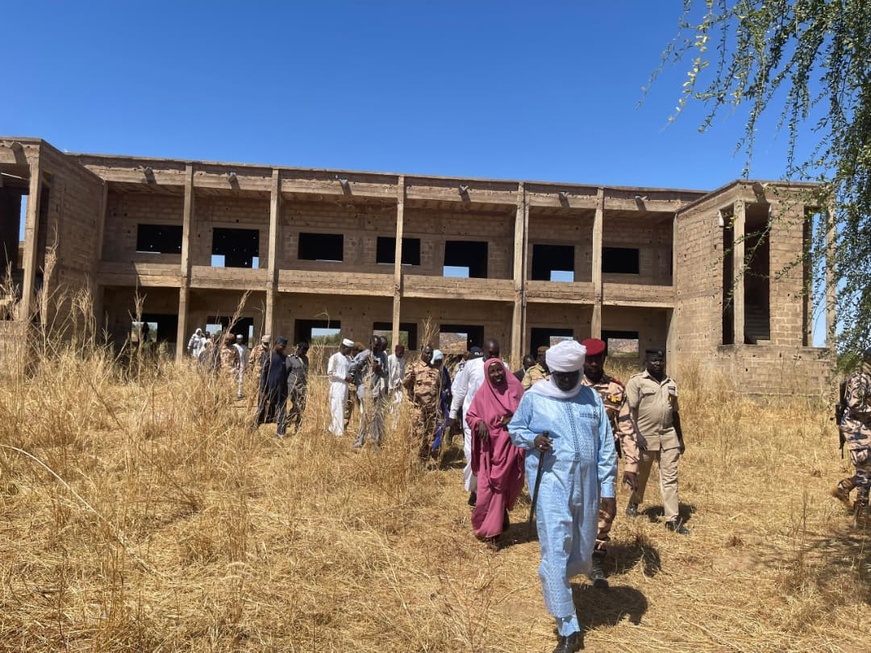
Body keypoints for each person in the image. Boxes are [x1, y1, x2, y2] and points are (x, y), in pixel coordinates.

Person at [508, 339, 617, 653]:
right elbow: (516, 429)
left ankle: (560, 584)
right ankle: (568, 626)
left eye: (573, 375)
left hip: (588, 489)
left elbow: (606, 447)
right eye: (561, 376)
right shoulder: (534, 397)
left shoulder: (591, 400)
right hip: (552, 486)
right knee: (555, 551)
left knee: (581, 551)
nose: (567, 381)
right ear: (551, 371)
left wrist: (607, 489)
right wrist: (534, 438)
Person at [581, 337, 639, 588]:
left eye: (597, 359)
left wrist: (631, 465)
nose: (593, 363)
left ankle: (596, 557)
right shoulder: (569, 386)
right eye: (589, 359)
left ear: (604, 359)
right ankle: (572, 554)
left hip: (604, 460)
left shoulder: (617, 390)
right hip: (573, 460)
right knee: (573, 507)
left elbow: (626, 428)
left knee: (606, 507)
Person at [624, 348, 689, 534]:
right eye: (654, 360)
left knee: (670, 478)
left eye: (661, 361)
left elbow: (674, 413)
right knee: (641, 475)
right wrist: (637, 435)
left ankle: (672, 519)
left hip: (668, 436)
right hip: (645, 436)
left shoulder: (671, 383)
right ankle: (634, 502)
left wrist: (680, 438)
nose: (658, 364)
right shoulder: (637, 382)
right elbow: (629, 413)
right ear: (646, 361)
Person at [465, 358, 525, 548]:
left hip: (510, 448)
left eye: (499, 370)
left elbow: (529, 412)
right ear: (486, 374)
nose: (497, 374)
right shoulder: (483, 393)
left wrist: (514, 418)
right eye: (492, 372)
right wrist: (479, 423)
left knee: (500, 490)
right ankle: (495, 521)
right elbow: (470, 415)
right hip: (489, 451)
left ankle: (493, 533)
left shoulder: (516, 388)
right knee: (484, 492)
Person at [449, 339, 510, 506]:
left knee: (492, 459)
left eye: (496, 354)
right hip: (472, 419)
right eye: (490, 354)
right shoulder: (471, 366)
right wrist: (453, 414)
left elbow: (510, 392)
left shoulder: (503, 367)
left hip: (495, 423)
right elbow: (461, 390)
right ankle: (475, 490)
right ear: (483, 351)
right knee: (472, 456)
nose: (493, 357)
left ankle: (487, 492)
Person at [831, 347, 871, 519]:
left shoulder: (867, 378)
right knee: (866, 468)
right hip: (856, 428)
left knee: (867, 469)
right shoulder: (860, 379)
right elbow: (855, 404)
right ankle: (861, 512)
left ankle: (844, 487)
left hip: (863, 426)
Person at [403, 344, 441, 460]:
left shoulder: (435, 370)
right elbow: (405, 384)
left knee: (429, 436)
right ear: (421, 352)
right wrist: (410, 377)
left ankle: (424, 459)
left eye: (430, 353)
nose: (428, 356)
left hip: (431, 410)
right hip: (417, 408)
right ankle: (413, 461)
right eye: (426, 353)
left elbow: (438, 389)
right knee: (417, 435)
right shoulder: (414, 367)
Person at [350, 335, 389, 449]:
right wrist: (361, 361)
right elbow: (351, 367)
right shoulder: (363, 354)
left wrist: (379, 369)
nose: (376, 348)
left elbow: (386, 373)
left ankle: (374, 442)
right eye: (374, 345)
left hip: (375, 391)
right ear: (370, 343)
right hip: (365, 390)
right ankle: (360, 441)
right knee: (367, 416)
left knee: (375, 416)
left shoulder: (382, 356)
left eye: (378, 346)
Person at [257, 336, 289, 437]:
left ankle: (280, 433)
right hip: (269, 388)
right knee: (262, 408)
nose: (282, 348)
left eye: (284, 346)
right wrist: (262, 390)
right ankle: (254, 427)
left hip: (281, 389)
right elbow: (263, 374)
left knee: (282, 410)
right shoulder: (268, 356)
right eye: (281, 345)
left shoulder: (285, 358)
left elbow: (286, 374)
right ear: (275, 344)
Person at [327, 338, 354, 436]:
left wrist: (350, 377)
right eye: (349, 349)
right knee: (336, 409)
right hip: (336, 387)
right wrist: (343, 377)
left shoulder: (349, 359)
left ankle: (333, 429)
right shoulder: (335, 357)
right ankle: (338, 433)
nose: (350, 351)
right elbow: (330, 372)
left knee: (341, 409)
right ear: (343, 347)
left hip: (345, 387)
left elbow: (350, 371)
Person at [431, 349, 453, 452]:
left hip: (443, 402)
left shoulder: (443, 370)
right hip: (432, 402)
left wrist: (448, 390)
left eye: (440, 361)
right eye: (437, 361)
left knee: (444, 424)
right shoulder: (430, 370)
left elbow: (448, 382)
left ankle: (437, 446)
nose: (438, 363)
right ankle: (432, 448)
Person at [286, 341, 310, 434]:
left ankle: (297, 428)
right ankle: (287, 421)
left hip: (302, 387)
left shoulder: (306, 359)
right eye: (303, 351)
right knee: (297, 405)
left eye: (306, 351)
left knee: (302, 407)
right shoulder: (290, 359)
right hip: (293, 386)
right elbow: (286, 372)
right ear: (298, 348)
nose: (304, 353)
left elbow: (305, 373)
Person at [234, 334, 249, 400]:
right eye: (238, 339)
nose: (239, 340)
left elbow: (246, 358)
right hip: (234, 366)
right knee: (234, 379)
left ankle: (239, 393)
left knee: (241, 380)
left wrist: (246, 366)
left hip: (242, 365)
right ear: (236, 339)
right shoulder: (233, 346)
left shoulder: (244, 347)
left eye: (240, 339)